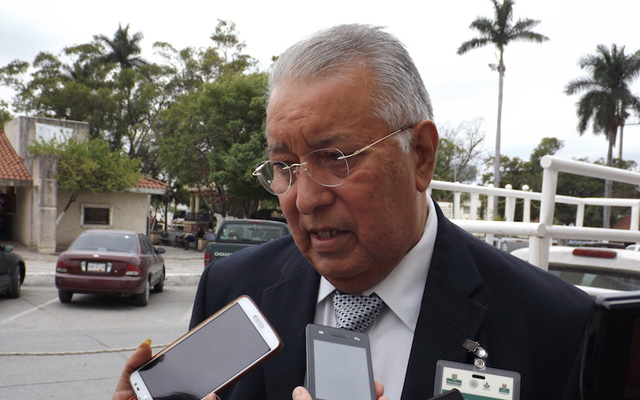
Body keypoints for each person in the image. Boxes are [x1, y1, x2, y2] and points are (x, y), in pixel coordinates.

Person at [115, 24, 593, 400]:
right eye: (284, 166)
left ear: (421, 156)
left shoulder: (557, 327)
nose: (305, 199)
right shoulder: (233, 288)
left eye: (335, 158)